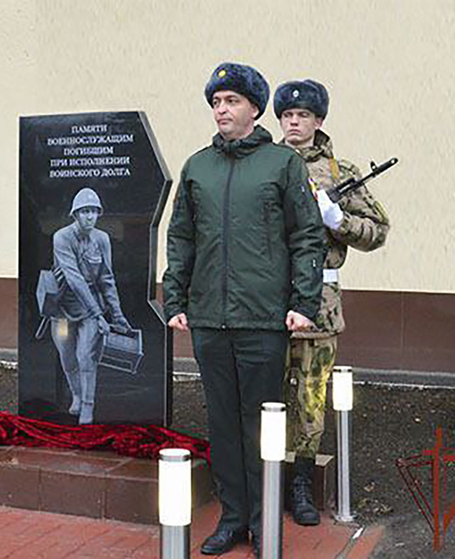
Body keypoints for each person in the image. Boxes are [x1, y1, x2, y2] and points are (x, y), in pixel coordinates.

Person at [163, 62, 325, 557]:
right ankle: (232, 518)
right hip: (210, 318)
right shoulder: (197, 167)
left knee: (260, 425)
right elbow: (181, 238)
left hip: (262, 319)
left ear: (255, 109)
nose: (221, 110)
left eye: (231, 101)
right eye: (216, 102)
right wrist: (175, 298)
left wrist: (303, 302)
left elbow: (307, 236)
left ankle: (261, 522)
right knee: (222, 424)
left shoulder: (282, 164)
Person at [274, 79, 390, 526]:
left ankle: (301, 481)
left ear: (318, 121)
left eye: (302, 116)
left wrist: (338, 220)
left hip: (319, 306)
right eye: (286, 116)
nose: (294, 122)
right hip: (267, 301)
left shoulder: (342, 172)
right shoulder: (267, 164)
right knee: (267, 395)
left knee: (309, 396)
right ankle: (267, 479)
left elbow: (378, 230)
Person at [50, 187, 130, 425]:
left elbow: (107, 278)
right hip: (62, 309)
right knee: (66, 355)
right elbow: (73, 278)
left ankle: (87, 405)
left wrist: (117, 315)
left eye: (94, 212)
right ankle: (76, 394)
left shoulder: (102, 239)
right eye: (84, 212)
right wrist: (100, 315)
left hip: (90, 308)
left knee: (86, 356)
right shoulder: (62, 237)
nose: (89, 217)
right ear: (75, 214)